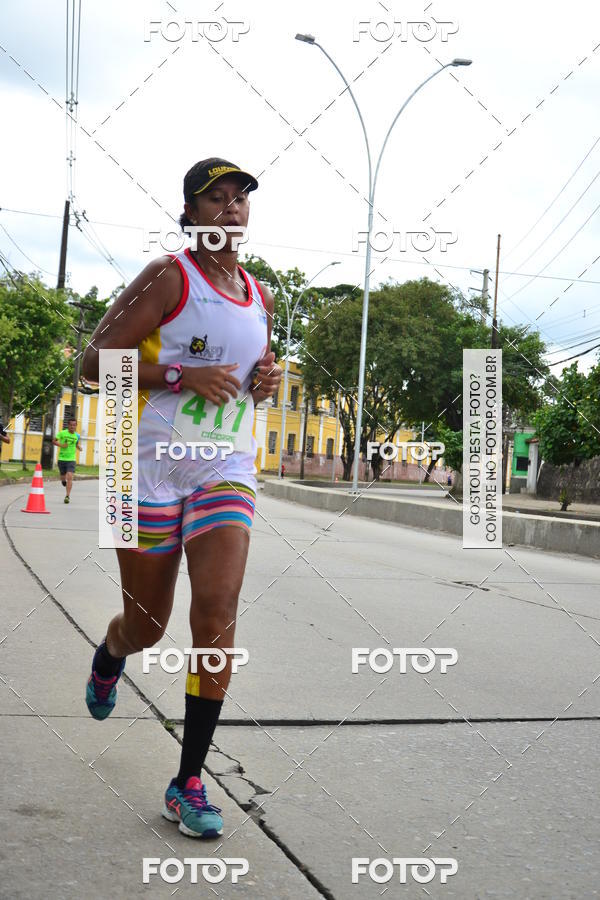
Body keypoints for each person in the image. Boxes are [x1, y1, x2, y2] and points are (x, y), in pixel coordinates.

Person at [82, 157, 282, 839]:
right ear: (191, 213)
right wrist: (179, 374)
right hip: (144, 468)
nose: (230, 208)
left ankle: (188, 779)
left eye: (239, 198)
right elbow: (93, 361)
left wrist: (264, 381)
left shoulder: (258, 294)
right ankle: (112, 653)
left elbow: (251, 373)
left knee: (217, 609)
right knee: (148, 627)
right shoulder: (169, 276)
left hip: (224, 466)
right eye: (214, 198)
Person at [52, 417, 82, 503]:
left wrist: (79, 447)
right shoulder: (62, 433)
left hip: (71, 459)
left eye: (74, 425)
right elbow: (54, 441)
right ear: (68, 425)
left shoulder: (77, 436)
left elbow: (76, 444)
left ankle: (67, 496)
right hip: (62, 459)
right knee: (63, 476)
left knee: (70, 476)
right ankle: (63, 481)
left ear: (76, 426)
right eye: (71, 425)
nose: (72, 427)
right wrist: (61, 445)